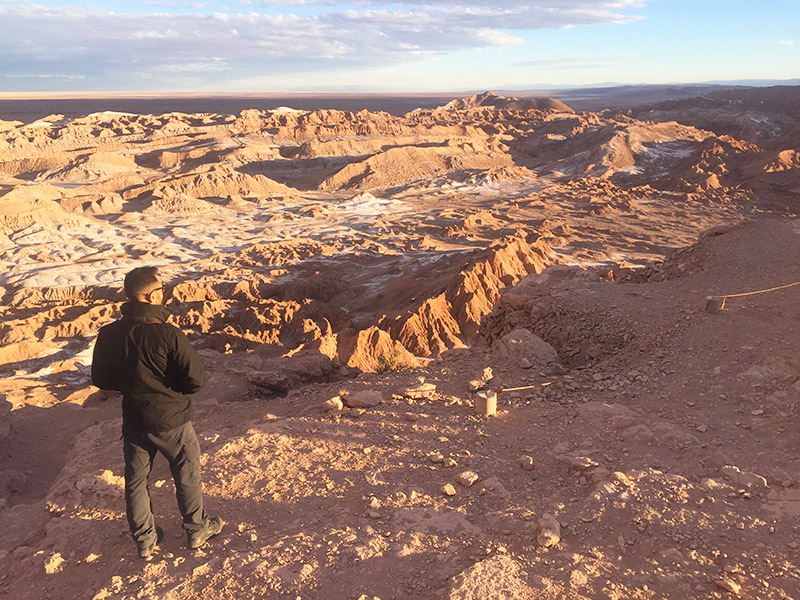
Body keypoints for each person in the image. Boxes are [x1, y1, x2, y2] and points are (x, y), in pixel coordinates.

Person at [92, 266, 223, 559]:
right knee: (186, 472)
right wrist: (171, 390)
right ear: (151, 296)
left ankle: (145, 540)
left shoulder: (110, 333)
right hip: (172, 419)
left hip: (135, 419)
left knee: (136, 481)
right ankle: (197, 528)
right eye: (162, 289)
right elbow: (196, 380)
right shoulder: (168, 334)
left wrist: (130, 384)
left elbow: (100, 379)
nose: (164, 294)